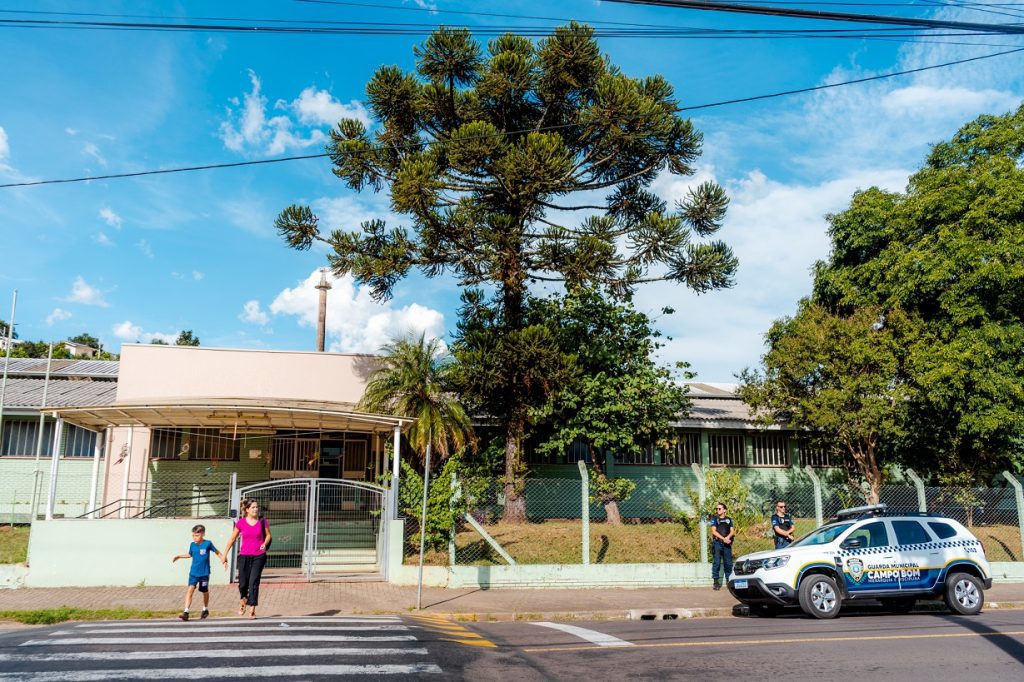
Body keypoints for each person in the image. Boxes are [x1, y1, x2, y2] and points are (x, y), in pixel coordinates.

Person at [224, 498, 272, 619]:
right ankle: (243, 599)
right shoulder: (241, 523)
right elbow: (232, 539)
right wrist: (224, 554)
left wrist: (264, 544)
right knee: (243, 584)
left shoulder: (262, 521)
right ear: (247, 510)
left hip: (259, 556)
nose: (256, 509)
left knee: (254, 583)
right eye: (253, 507)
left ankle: (252, 609)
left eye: (257, 507)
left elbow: (268, 535)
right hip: (244, 556)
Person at [172, 524, 226, 621]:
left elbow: (217, 552)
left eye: (197, 535)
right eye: (193, 535)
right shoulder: (192, 545)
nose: (194, 538)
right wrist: (179, 556)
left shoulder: (208, 544)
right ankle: (186, 612)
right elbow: (189, 554)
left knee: (204, 591)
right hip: (193, 573)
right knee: (190, 590)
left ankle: (205, 609)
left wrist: (223, 560)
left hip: (204, 573)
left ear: (203, 534)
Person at [710, 502, 735, 591]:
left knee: (728, 563)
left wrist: (727, 538)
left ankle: (729, 581)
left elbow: (732, 531)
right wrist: (723, 538)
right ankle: (716, 582)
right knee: (716, 562)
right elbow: (714, 531)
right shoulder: (715, 519)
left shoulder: (729, 520)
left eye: (719, 509)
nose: (717, 510)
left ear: (724, 510)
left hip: (727, 544)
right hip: (717, 543)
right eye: (716, 509)